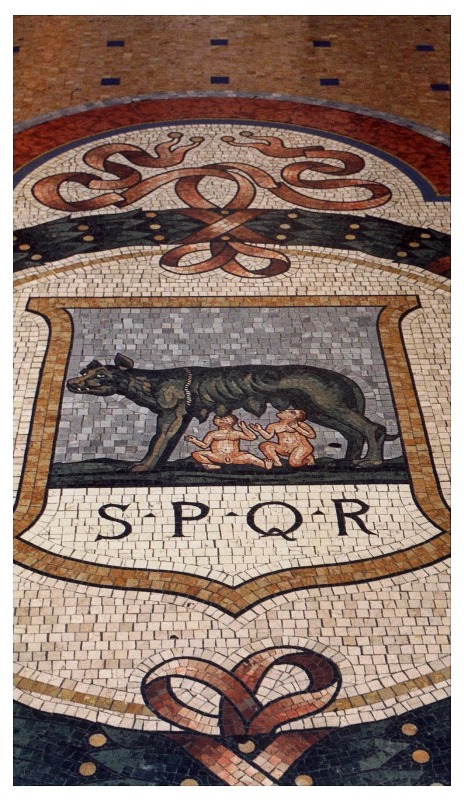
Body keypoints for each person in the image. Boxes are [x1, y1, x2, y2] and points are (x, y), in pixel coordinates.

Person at [184, 414, 270, 470]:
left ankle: (264, 465)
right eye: (218, 418)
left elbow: (252, 437)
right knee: (197, 453)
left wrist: (244, 428)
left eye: (225, 418)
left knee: (248, 456)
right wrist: (194, 440)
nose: (221, 419)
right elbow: (204, 445)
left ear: (233, 421)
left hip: (235, 456)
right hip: (217, 456)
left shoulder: (236, 433)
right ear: (214, 421)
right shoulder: (213, 433)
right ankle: (209, 464)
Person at [250, 409, 316, 468]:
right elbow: (268, 437)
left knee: (294, 463)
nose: (285, 410)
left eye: (292, 412)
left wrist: (297, 427)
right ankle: (276, 462)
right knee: (265, 445)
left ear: (295, 417)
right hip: (284, 449)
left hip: (302, 448)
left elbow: (312, 435)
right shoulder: (273, 426)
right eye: (287, 410)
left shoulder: (300, 424)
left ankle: (308, 458)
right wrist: (260, 430)